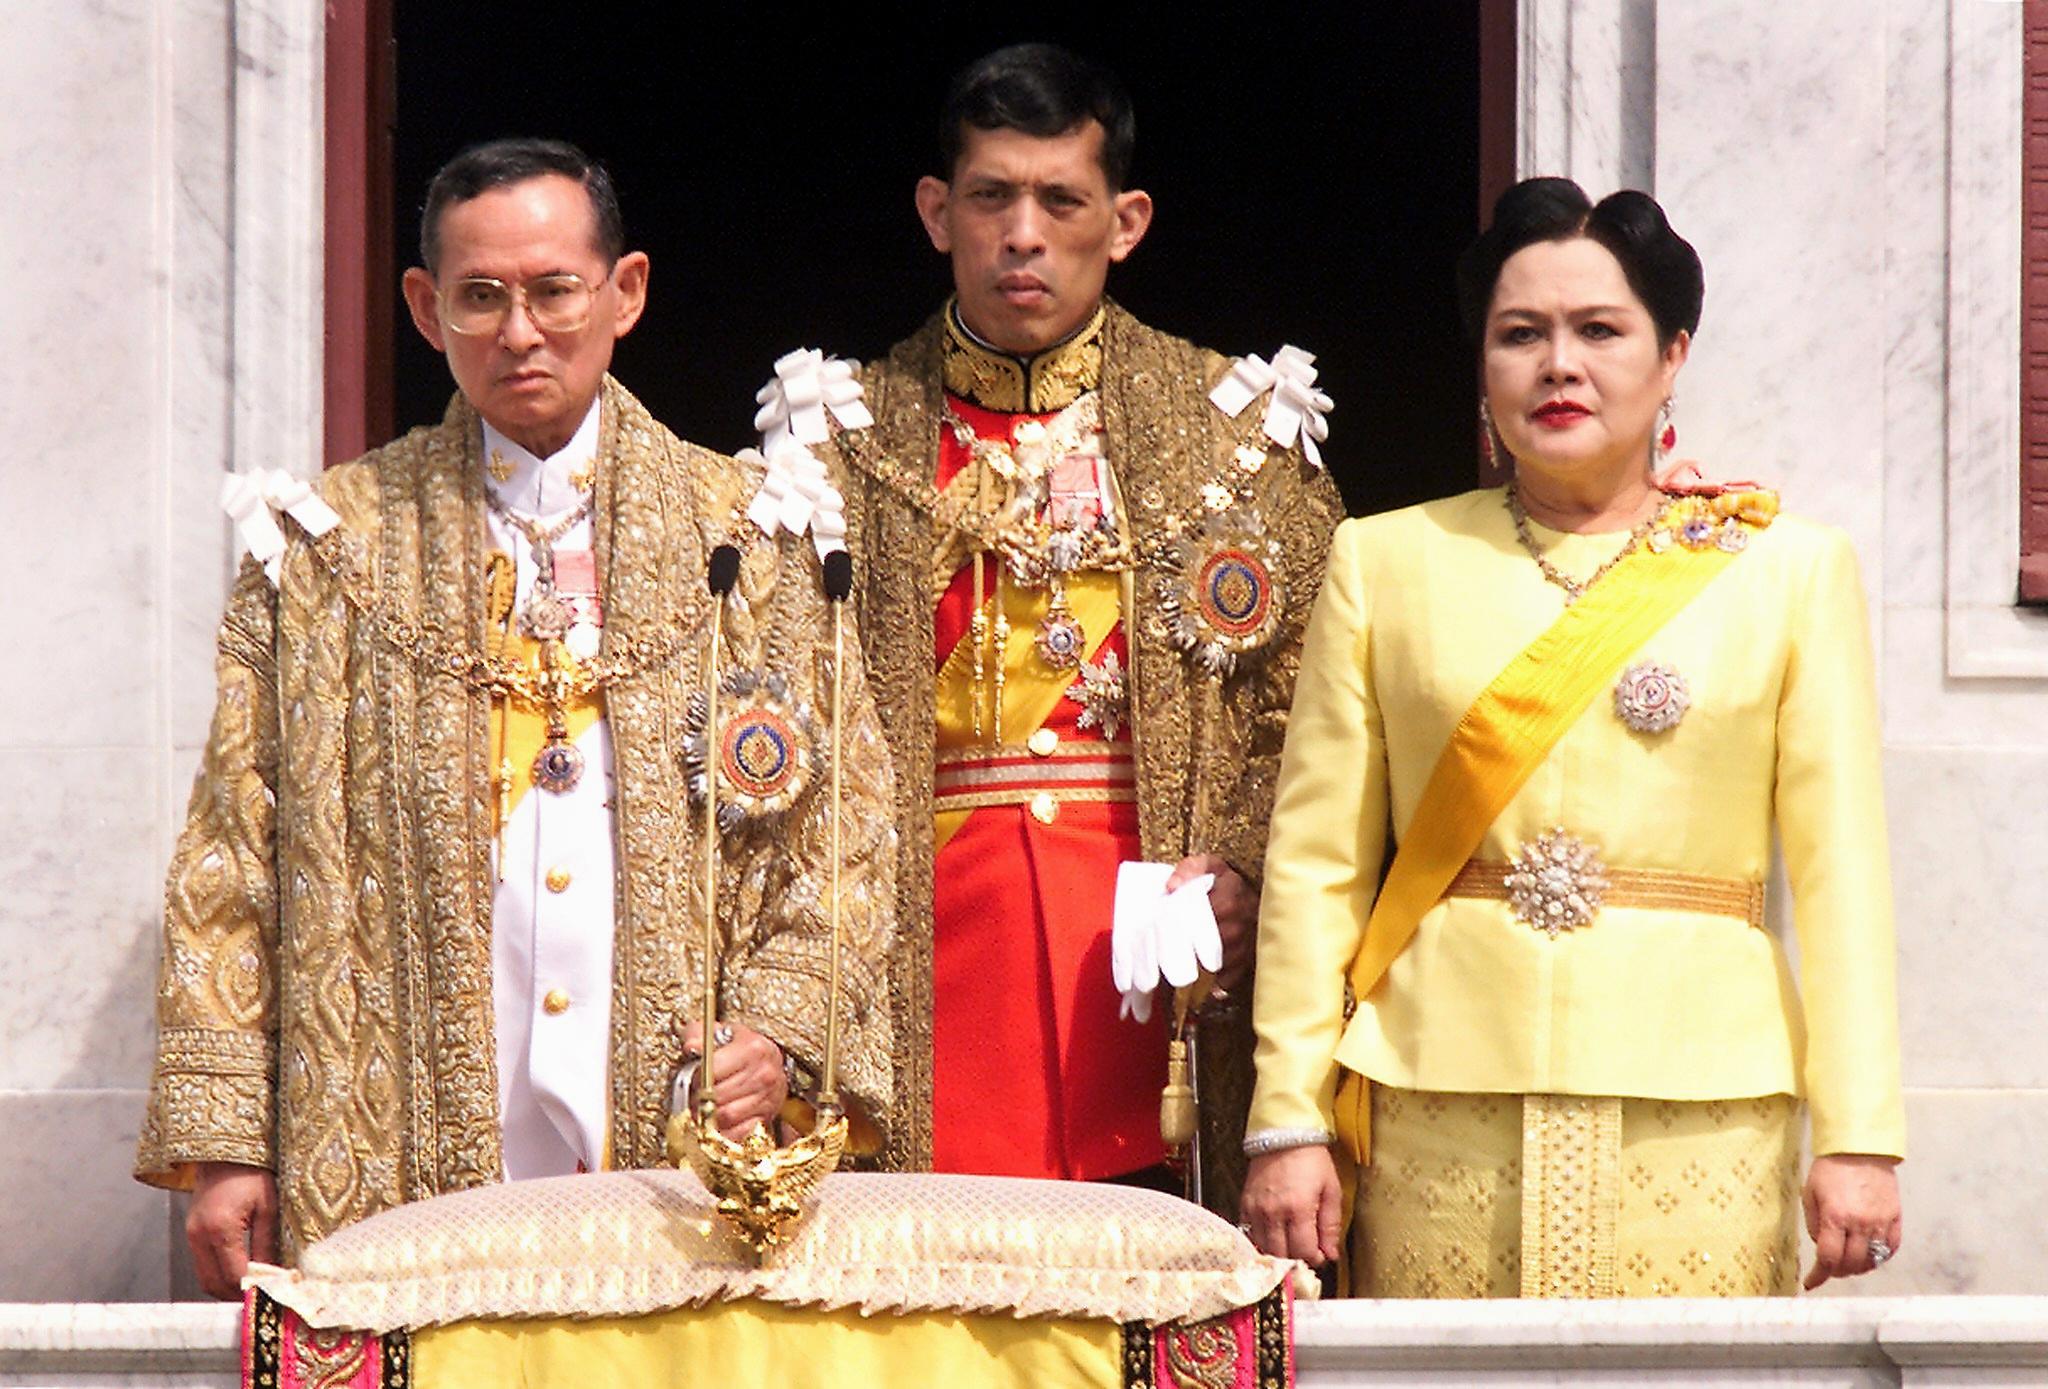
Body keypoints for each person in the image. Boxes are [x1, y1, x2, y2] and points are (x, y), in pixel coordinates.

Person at [135, 138, 897, 1297]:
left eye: (553, 291)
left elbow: (845, 832)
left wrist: (778, 1036)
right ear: (424, 308)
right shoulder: (326, 547)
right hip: (397, 1106)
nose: (519, 332)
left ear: (624, 292)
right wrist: (229, 1137)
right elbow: (234, 852)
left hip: (679, 1113)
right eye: (479, 297)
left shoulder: (753, 537)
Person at [1238, 177, 1905, 1296]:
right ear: (1481, 363)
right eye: (1519, 335)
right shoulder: (1383, 561)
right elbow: (1316, 870)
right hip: (1435, 1099)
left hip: (1700, 1102)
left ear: (1671, 356)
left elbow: (1841, 876)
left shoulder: (1784, 570)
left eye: (1599, 330)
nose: (1559, 364)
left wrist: (1860, 1134)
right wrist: (1284, 1121)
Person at [749, 44, 1344, 1204]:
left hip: (1150, 966)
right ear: (937, 212)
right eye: (990, 198)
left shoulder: (1239, 435)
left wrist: (1247, 873)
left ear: (1123, 221)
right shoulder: (833, 441)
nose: (1023, 233)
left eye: (1059, 201)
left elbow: (1327, 719)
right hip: (918, 960)